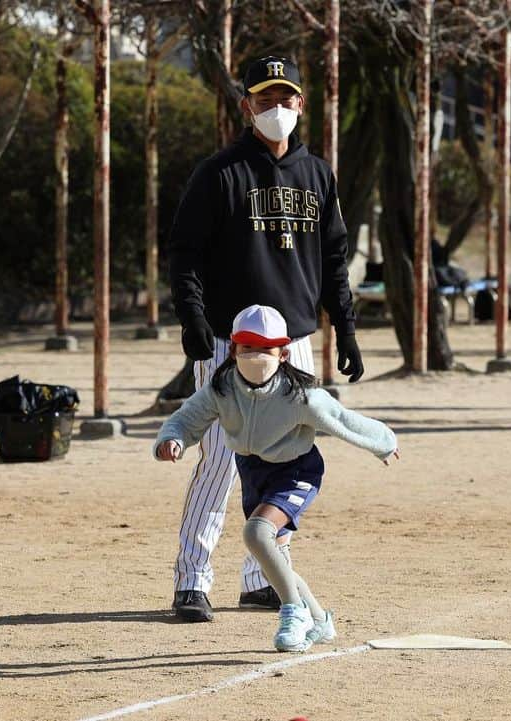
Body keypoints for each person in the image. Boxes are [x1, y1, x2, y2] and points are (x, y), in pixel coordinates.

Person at [167, 55, 363, 622]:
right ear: (246, 105)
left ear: (302, 104)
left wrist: (344, 328)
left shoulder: (317, 174)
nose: (277, 109)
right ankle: (191, 580)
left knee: (284, 458)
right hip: (235, 341)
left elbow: (334, 257)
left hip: (295, 339)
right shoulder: (220, 173)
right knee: (221, 461)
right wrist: (195, 320)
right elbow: (185, 254)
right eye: (265, 99)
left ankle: (263, 579)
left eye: (287, 98)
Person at [154, 305, 399, 652]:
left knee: (257, 532)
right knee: (274, 560)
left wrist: (383, 443)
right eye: (247, 347)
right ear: (234, 350)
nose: (255, 355)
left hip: (296, 472)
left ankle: (292, 611)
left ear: (283, 353)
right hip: (253, 472)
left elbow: (342, 420)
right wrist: (172, 439)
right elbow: (187, 418)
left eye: (265, 348)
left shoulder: (299, 396)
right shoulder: (221, 389)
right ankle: (319, 620)